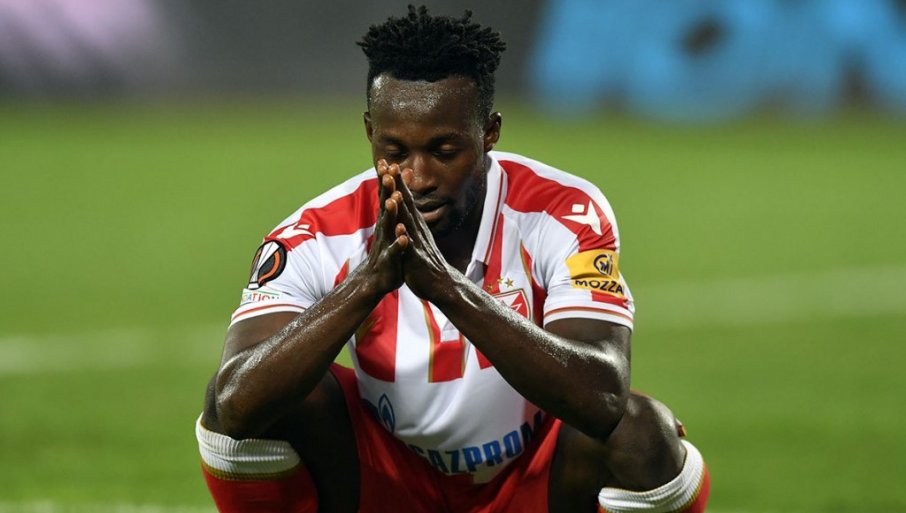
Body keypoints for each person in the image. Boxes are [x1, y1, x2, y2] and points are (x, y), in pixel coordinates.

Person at [195, 6, 710, 513]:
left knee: (645, 435)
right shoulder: (316, 233)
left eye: (444, 151)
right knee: (256, 414)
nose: (418, 178)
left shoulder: (564, 211)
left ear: (489, 132)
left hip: (530, 483)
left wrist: (446, 287)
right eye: (395, 152)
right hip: (383, 480)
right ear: (370, 131)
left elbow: (603, 398)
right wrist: (368, 283)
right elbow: (233, 406)